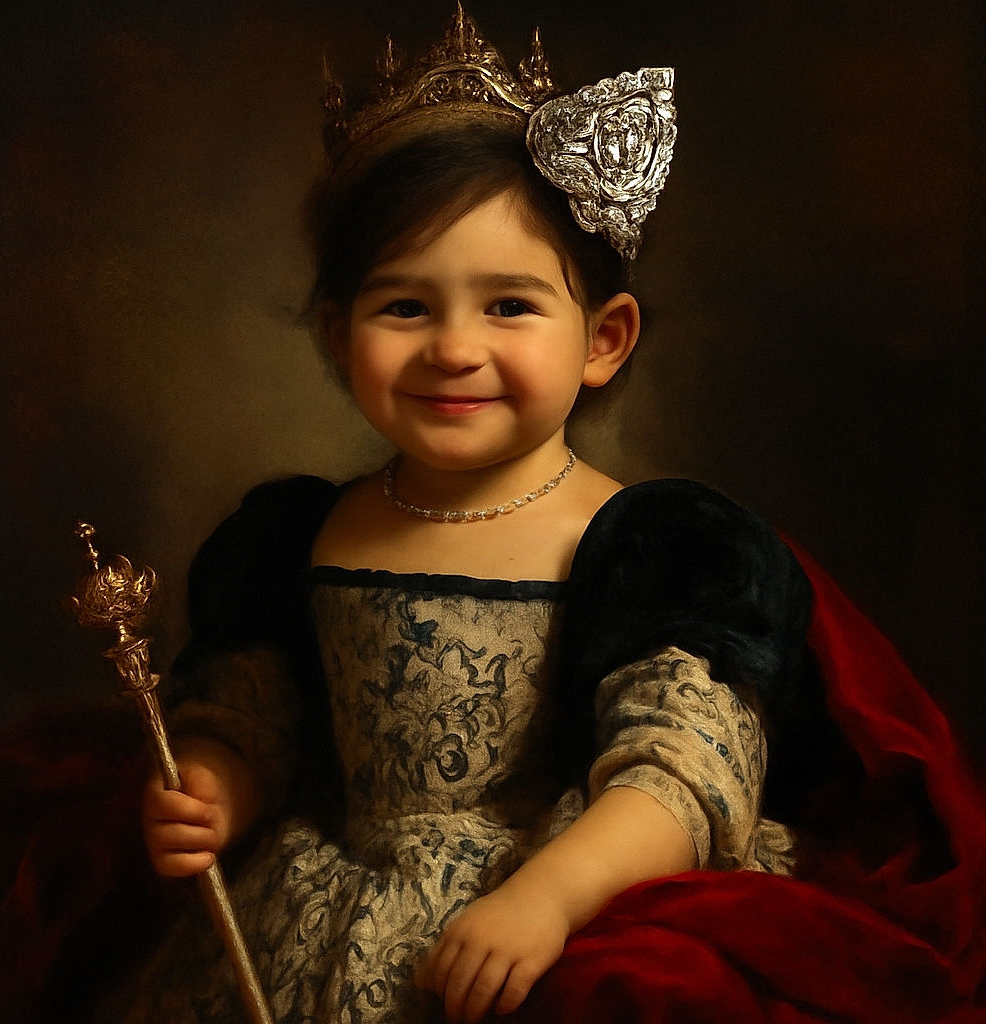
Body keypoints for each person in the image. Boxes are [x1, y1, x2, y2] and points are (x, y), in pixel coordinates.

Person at [112, 9, 986, 1024]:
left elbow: (680, 766)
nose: (452, 348)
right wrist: (217, 785)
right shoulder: (299, 531)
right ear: (335, 332)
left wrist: (546, 898)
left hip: (555, 904)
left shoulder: (653, 548)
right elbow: (261, 712)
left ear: (604, 339)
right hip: (322, 909)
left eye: (509, 306)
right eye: (404, 307)